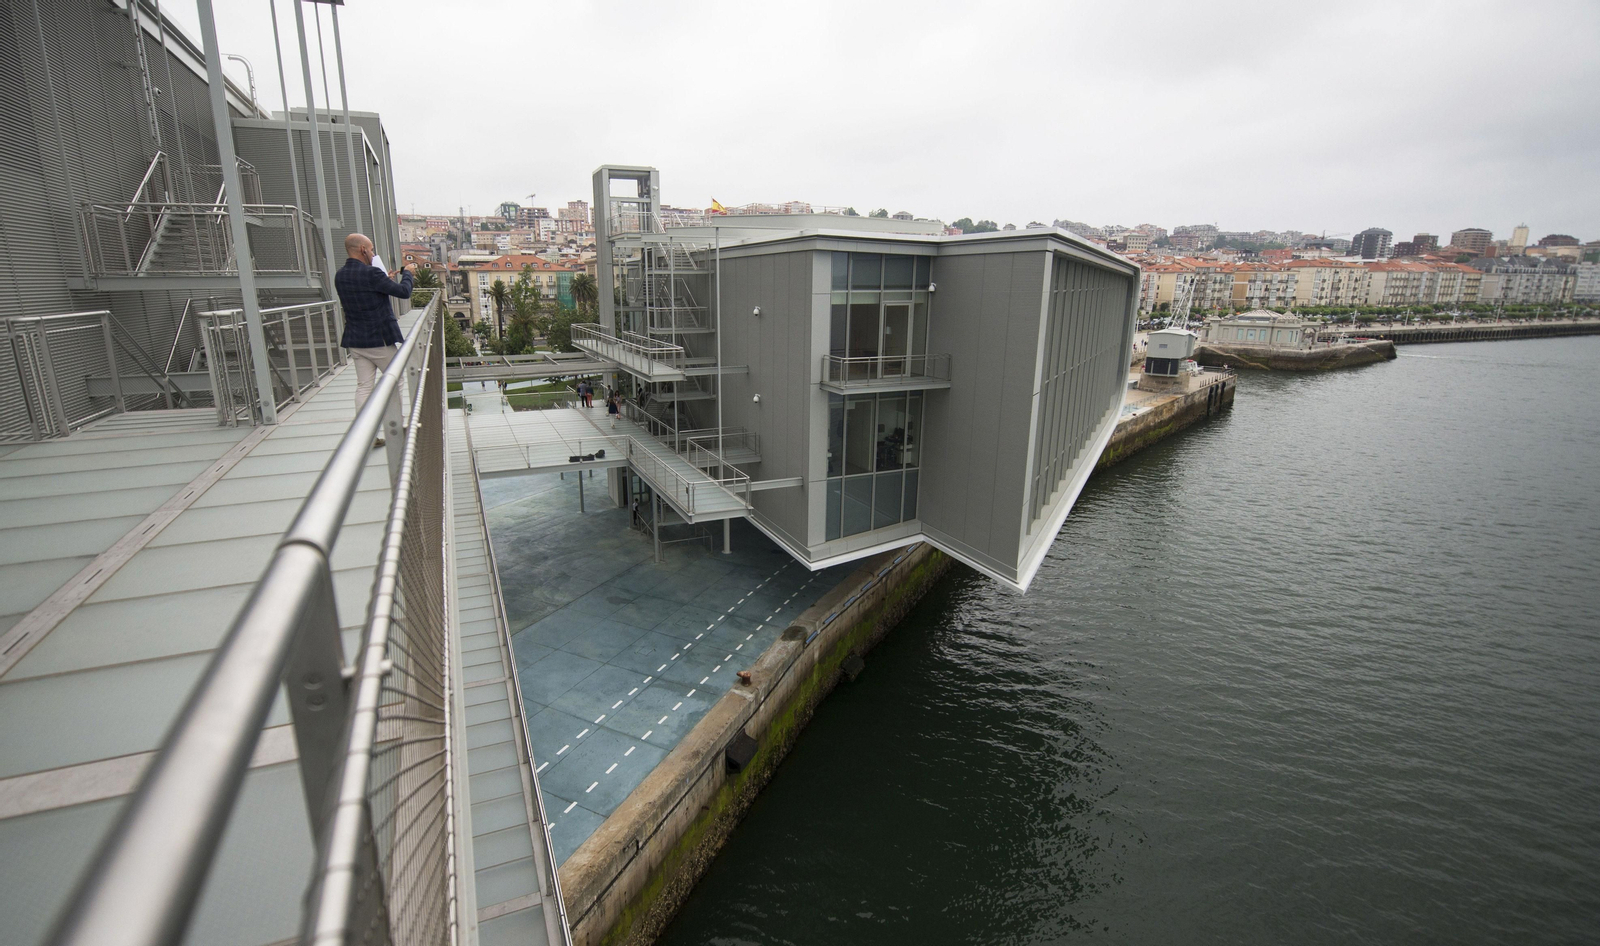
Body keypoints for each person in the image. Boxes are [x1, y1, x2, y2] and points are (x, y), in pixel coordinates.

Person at [335, 233, 413, 446]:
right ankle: (395, 427)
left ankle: (365, 436)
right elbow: (404, 292)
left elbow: (365, 295)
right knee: (395, 380)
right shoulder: (371, 274)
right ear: (362, 249)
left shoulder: (340, 275)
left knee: (364, 387)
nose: (372, 253)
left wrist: (384, 281)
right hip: (378, 340)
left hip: (356, 340)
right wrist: (409, 275)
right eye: (371, 249)